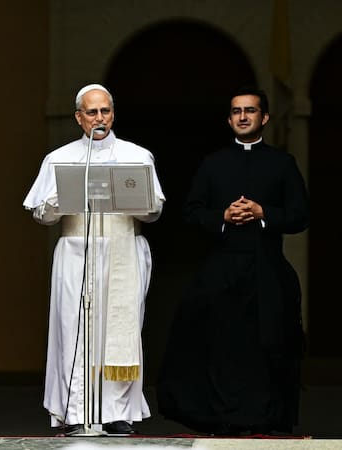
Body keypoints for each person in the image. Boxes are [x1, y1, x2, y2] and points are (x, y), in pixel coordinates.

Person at [156, 86, 309, 436]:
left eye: (250, 111)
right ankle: (221, 417)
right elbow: (191, 212)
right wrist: (223, 216)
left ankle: (266, 418)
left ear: (264, 117)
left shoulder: (283, 164)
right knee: (218, 343)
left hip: (268, 269)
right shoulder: (213, 164)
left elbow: (301, 215)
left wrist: (262, 212)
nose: (243, 116)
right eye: (237, 111)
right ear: (229, 119)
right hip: (222, 268)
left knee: (270, 343)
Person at [23, 83, 165, 436]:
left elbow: (155, 211)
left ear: (113, 114)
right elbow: (40, 214)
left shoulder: (137, 155)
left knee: (118, 333)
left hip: (122, 253)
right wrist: (60, 199)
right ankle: (74, 412)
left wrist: (142, 202)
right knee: (73, 331)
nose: (99, 118)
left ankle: (118, 413)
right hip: (75, 254)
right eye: (91, 112)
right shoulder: (59, 158)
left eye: (105, 111)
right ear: (78, 117)